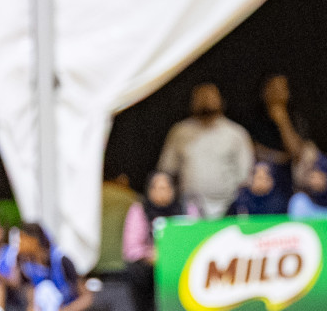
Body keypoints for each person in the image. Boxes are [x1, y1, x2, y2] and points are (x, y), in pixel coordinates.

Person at [157, 83, 254, 218]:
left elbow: (246, 175)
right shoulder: (180, 132)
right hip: (190, 208)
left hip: (229, 208)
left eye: (210, 96)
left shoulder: (236, 133)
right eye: (201, 97)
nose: (205, 100)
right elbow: (167, 170)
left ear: (220, 100)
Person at [123, 171, 194, 311]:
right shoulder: (140, 210)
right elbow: (131, 249)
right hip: (151, 269)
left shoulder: (186, 209)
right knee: (138, 271)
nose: (162, 192)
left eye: (166, 188)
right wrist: (153, 254)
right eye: (157, 188)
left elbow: (196, 236)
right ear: (149, 190)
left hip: (182, 265)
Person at [243, 75, 307, 198]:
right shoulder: (252, 118)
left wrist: (282, 121)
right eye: (274, 89)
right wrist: (282, 157)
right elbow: (253, 151)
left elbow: (297, 153)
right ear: (264, 92)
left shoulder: (295, 118)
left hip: (288, 184)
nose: (278, 94)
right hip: (258, 181)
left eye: (282, 89)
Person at [15, 224, 90, 311]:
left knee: (46, 289)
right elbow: (32, 303)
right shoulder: (28, 267)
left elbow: (87, 297)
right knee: (44, 289)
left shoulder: (61, 261)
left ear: (34, 240)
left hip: (68, 307)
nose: (19, 245)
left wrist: (66, 309)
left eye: (22, 239)